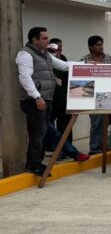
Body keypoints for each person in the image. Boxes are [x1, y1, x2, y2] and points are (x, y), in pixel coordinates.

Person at [16, 27, 74, 174]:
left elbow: (64, 65)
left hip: (45, 99)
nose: (48, 41)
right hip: (34, 100)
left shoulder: (45, 55)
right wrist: (37, 97)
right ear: (34, 40)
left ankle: (34, 163)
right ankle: (35, 165)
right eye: (44, 38)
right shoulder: (25, 54)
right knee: (38, 132)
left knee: (39, 132)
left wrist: (86, 65)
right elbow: (24, 77)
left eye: (48, 38)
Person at [80, 35, 111, 155]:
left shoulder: (109, 59)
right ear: (91, 47)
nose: (100, 47)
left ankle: (104, 145)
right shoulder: (84, 60)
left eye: (101, 44)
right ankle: (94, 148)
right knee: (96, 122)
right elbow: (80, 77)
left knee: (107, 122)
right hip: (92, 95)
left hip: (108, 94)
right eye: (97, 45)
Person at [47, 38, 72, 145]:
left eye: (60, 46)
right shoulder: (46, 61)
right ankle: (51, 146)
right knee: (49, 126)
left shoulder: (64, 61)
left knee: (65, 126)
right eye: (56, 47)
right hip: (50, 100)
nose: (59, 49)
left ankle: (66, 147)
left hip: (63, 101)